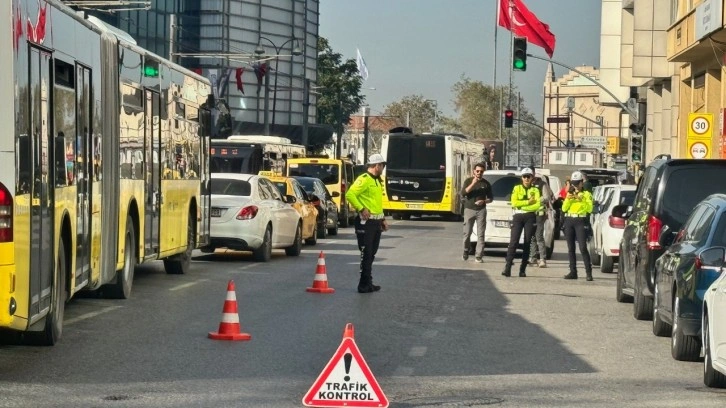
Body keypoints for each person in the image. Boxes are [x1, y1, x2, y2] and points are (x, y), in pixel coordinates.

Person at [346, 153, 390, 293]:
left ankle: (368, 282)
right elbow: (350, 194)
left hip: (376, 222)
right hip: (366, 222)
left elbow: (377, 204)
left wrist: (382, 219)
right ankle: (363, 285)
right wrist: (361, 208)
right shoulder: (364, 179)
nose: (383, 168)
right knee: (366, 253)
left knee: (372, 253)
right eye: (382, 165)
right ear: (376, 166)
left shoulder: (377, 181)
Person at [502, 168, 540, 278]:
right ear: (521, 178)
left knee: (527, 242)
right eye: (524, 176)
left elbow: (537, 205)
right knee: (513, 241)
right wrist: (528, 202)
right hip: (518, 215)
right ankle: (507, 267)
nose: (527, 178)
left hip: (530, 216)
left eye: (529, 176)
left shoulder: (536, 190)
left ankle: (522, 269)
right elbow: (514, 202)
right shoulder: (517, 188)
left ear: (532, 178)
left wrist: (522, 204)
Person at [562, 171, 594, 281]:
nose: (575, 186)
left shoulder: (587, 194)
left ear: (582, 183)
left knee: (583, 247)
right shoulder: (569, 194)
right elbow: (564, 208)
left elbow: (589, 209)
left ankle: (588, 273)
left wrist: (581, 199)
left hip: (580, 220)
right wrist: (569, 198)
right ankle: (573, 271)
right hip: (570, 219)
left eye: (577, 183)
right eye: (573, 183)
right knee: (571, 248)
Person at [461, 162, 493, 263]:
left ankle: (479, 255)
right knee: (467, 233)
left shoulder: (486, 184)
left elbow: (491, 198)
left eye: (481, 171)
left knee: (481, 234)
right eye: (477, 171)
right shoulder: (468, 181)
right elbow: (463, 193)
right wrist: (473, 183)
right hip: (469, 209)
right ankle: (466, 250)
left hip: (481, 210)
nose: (479, 173)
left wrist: (484, 201)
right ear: (474, 171)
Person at [529, 171, 554, 267]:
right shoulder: (527, 185)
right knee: (532, 236)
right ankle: (533, 257)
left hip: (539, 213)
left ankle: (542, 259)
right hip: (530, 213)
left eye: (530, 175)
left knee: (539, 235)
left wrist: (536, 200)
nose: (528, 178)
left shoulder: (541, 184)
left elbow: (547, 197)